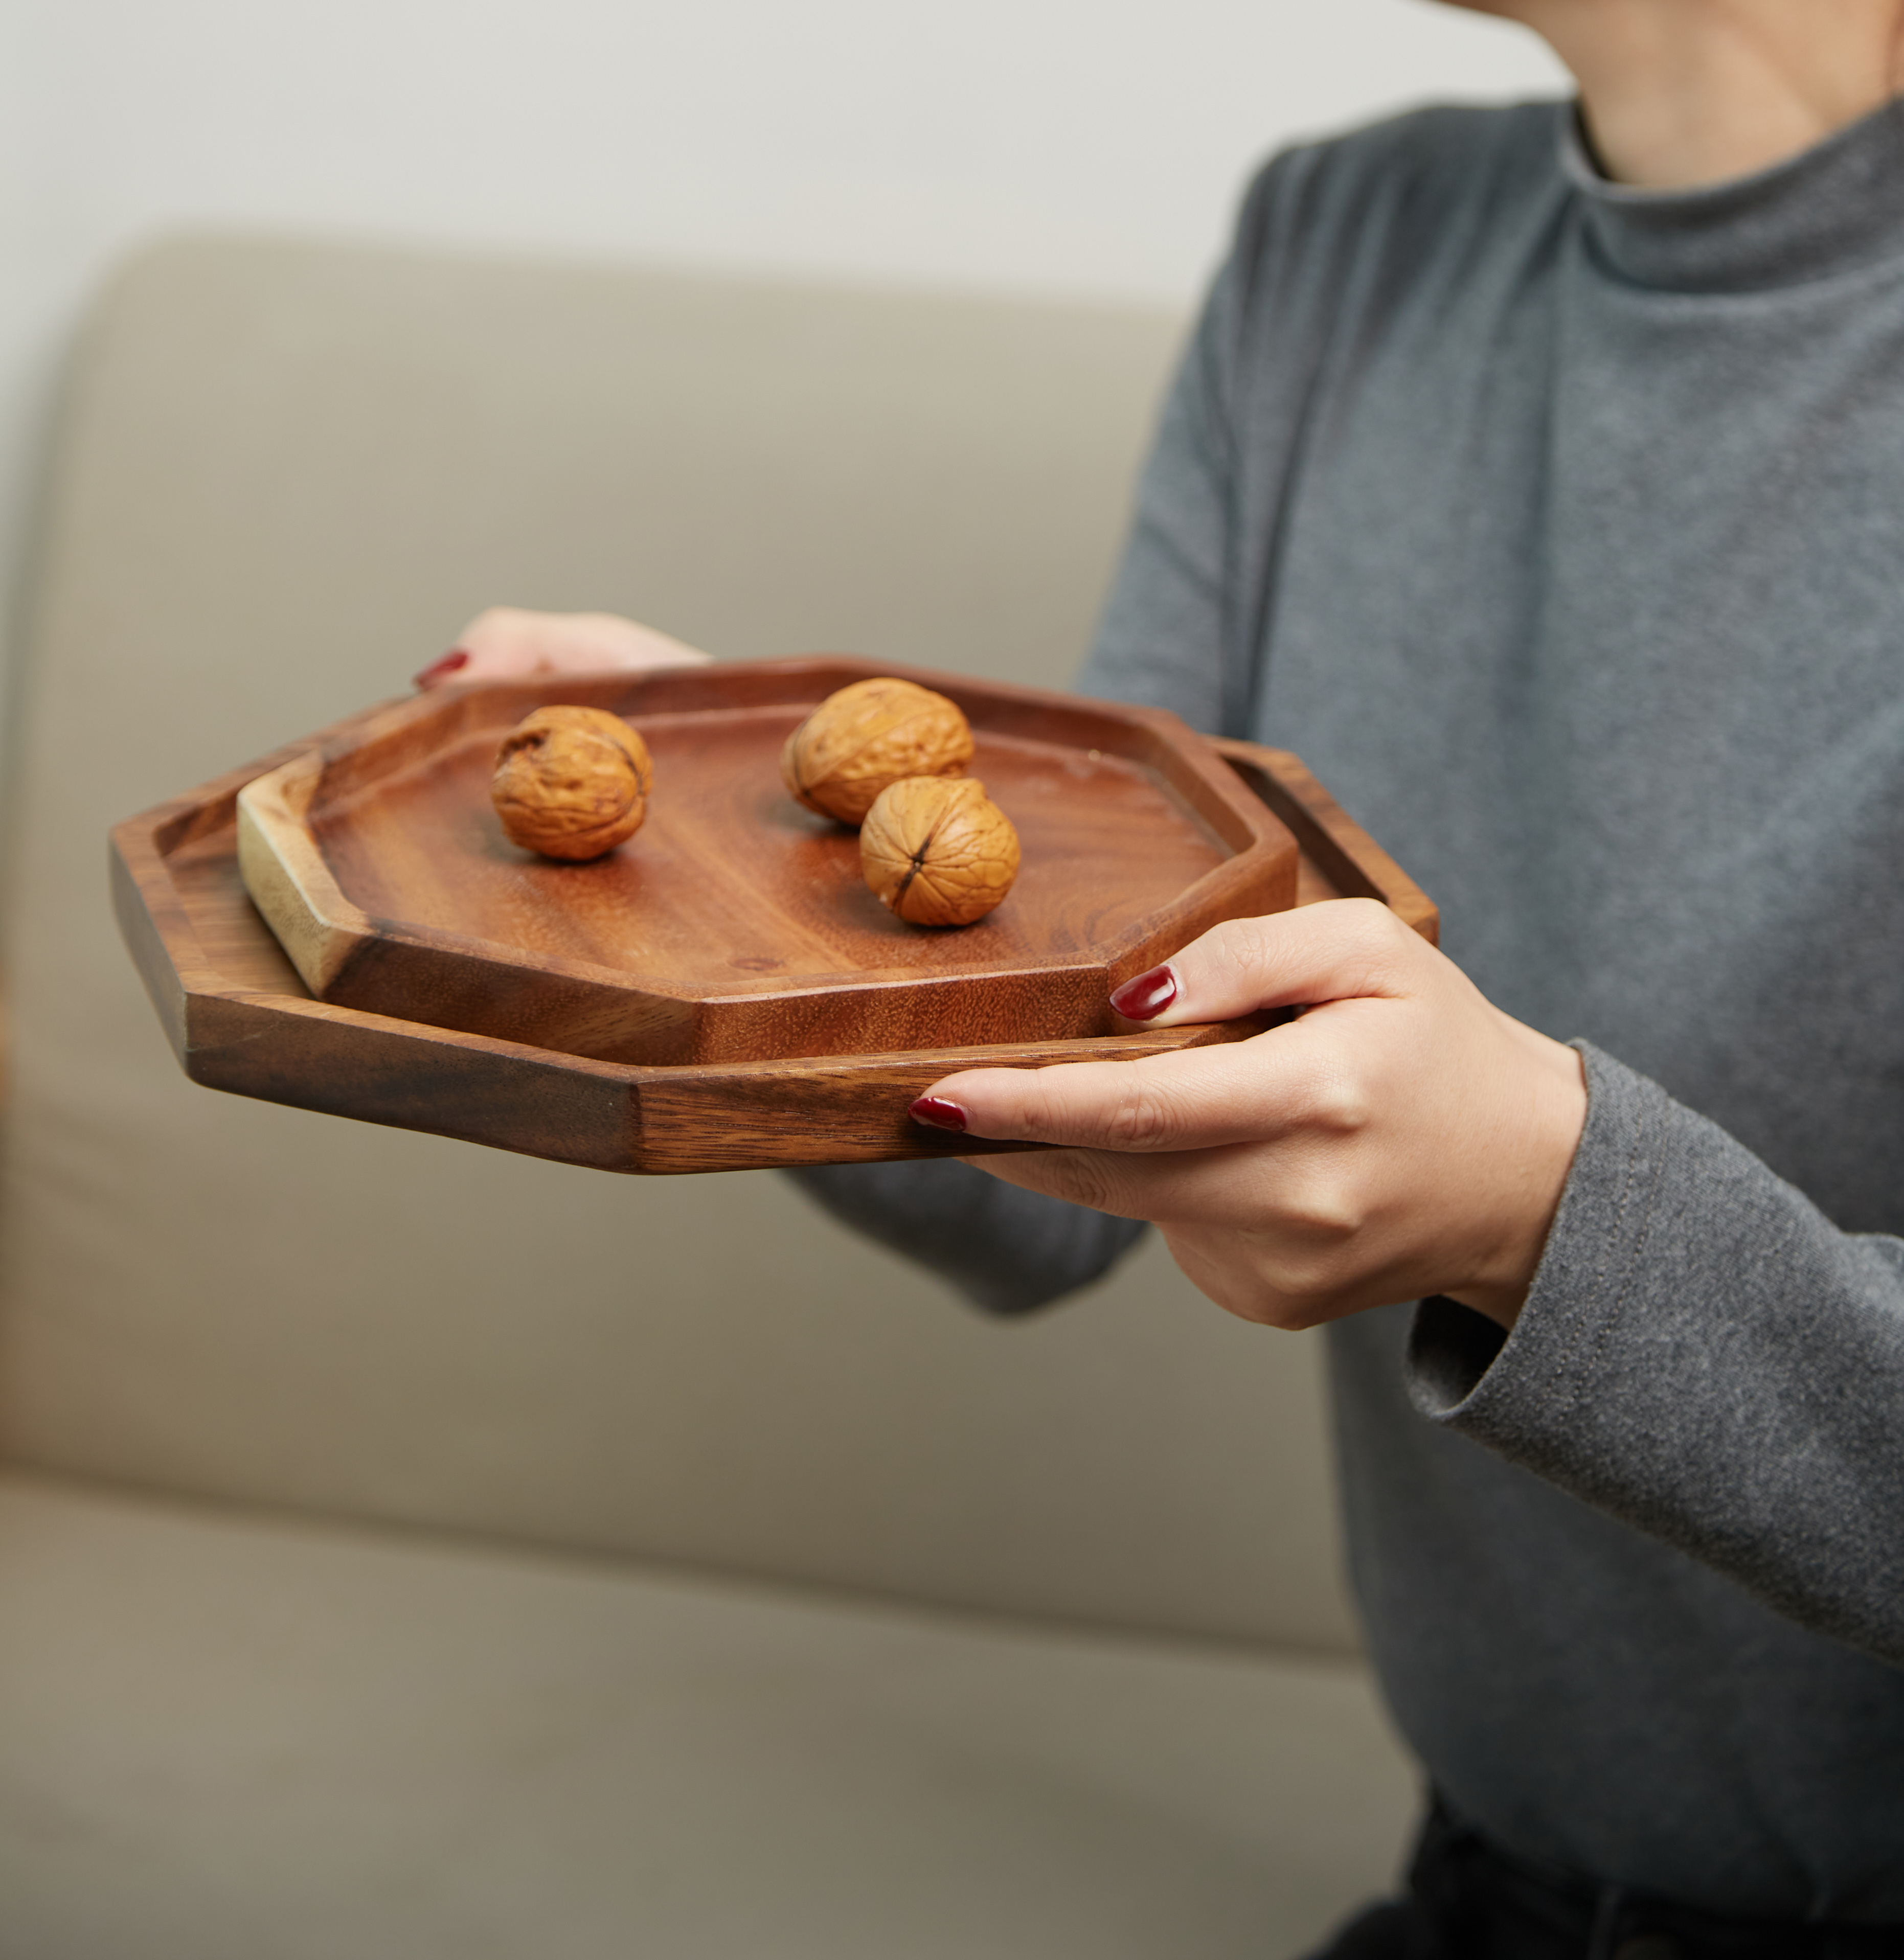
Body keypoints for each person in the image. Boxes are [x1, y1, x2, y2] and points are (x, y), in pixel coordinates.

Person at [422, 2, 1904, 1950]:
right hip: (1497, 1894)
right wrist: (746, 904)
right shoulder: (1342, 251)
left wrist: (1545, 1211)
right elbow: (1063, 1168)